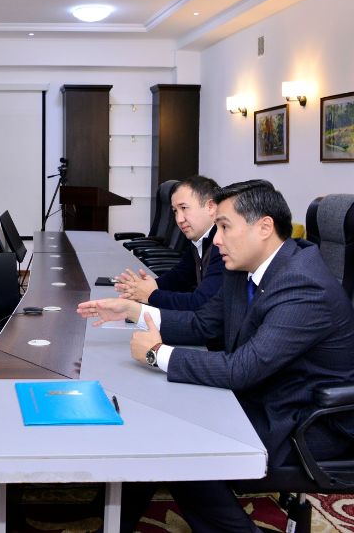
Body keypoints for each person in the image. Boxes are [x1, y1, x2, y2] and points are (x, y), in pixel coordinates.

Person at [78, 179, 354, 532]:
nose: (217, 239)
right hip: (267, 393)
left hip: (303, 419)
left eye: (224, 227)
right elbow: (203, 324)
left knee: (180, 446)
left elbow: (241, 369)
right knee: (159, 419)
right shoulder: (244, 268)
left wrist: (156, 355)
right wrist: (134, 312)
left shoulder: (303, 284)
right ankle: (115, 520)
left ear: (264, 227)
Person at [114, 175, 223, 311]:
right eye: (175, 211)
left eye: (184, 208)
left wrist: (151, 295)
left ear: (210, 207)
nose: (179, 219)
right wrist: (148, 286)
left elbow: (201, 303)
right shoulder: (201, 238)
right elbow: (181, 275)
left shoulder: (223, 245)